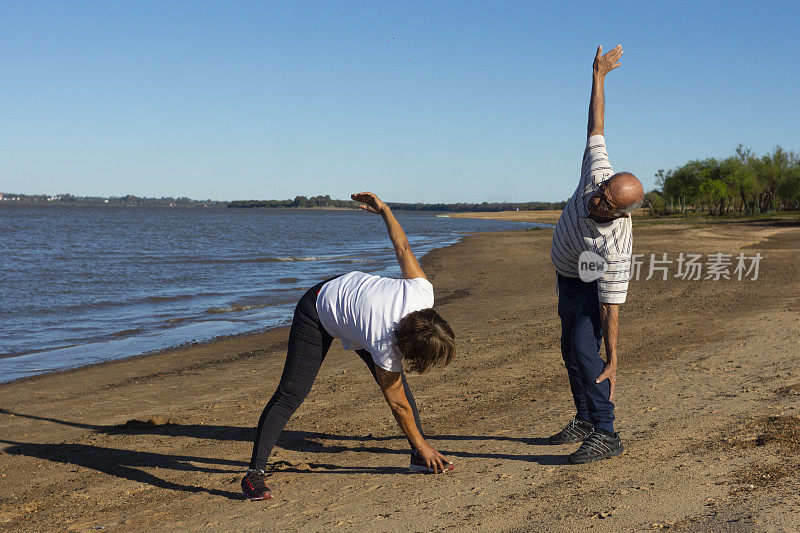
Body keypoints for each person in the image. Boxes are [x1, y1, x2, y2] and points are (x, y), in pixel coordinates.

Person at [242, 192, 456, 500]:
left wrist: (385, 211)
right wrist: (426, 444)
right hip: (317, 309)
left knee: (399, 385)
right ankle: (253, 476)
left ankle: (417, 457)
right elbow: (397, 405)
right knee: (291, 394)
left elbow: (402, 247)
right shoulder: (383, 341)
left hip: (353, 303)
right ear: (409, 347)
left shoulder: (423, 292)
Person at [548, 44, 644, 464]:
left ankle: (606, 431)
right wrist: (598, 76)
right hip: (566, 275)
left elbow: (612, 305)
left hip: (591, 277)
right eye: (603, 192)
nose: (598, 200)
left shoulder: (616, 244)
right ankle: (585, 418)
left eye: (608, 202)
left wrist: (615, 357)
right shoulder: (597, 172)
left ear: (621, 211)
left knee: (588, 351)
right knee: (569, 348)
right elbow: (596, 123)